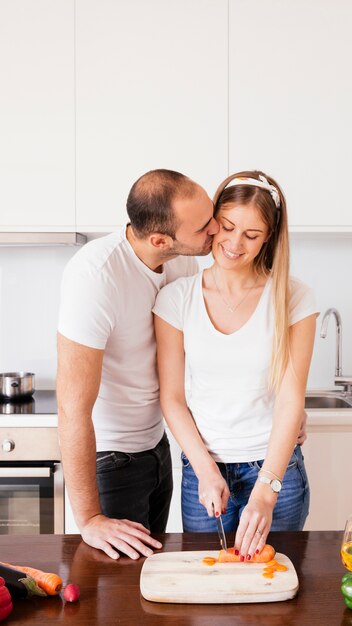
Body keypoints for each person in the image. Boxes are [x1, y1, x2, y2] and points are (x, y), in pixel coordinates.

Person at [153, 170, 319, 560]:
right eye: (227, 227)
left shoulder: (294, 298)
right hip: (203, 469)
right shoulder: (176, 299)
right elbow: (173, 399)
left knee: (274, 592)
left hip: (277, 472)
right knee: (210, 593)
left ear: (269, 238)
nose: (233, 243)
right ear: (212, 222)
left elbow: (290, 400)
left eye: (251, 235)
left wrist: (267, 488)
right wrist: (206, 471)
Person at [56, 169, 218, 560]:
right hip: (110, 463)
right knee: (116, 599)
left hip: (156, 450)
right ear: (160, 239)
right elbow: (71, 407)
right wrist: (91, 518)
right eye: (203, 227)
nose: (216, 228)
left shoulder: (181, 262)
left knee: (151, 586)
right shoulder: (95, 276)